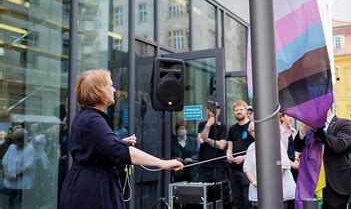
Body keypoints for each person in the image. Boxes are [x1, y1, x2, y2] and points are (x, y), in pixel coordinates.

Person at [59, 69, 183, 209]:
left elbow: (98, 147)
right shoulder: (93, 120)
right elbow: (120, 151)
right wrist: (162, 163)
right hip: (93, 191)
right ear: (98, 90)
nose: (114, 89)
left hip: (84, 185)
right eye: (110, 85)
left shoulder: (86, 117)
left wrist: (119, 142)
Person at [294, 106, 351, 208]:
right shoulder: (310, 127)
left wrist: (317, 130)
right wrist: (303, 130)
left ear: (325, 106)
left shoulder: (344, 123)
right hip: (312, 181)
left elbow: (340, 146)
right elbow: (298, 147)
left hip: (334, 184)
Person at [243, 121, 296, 208]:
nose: (256, 132)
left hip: (279, 194)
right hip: (258, 194)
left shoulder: (276, 143)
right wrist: (255, 182)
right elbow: (247, 168)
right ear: (251, 133)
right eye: (253, 131)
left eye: (258, 129)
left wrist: (267, 183)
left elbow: (283, 166)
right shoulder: (251, 147)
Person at [197, 101, 231, 206]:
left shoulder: (223, 127)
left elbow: (221, 145)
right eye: (211, 109)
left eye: (216, 109)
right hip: (204, 167)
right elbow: (201, 140)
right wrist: (208, 125)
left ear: (219, 111)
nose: (213, 111)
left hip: (219, 167)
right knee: (203, 196)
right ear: (207, 111)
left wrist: (208, 140)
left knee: (222, 196)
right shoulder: (202, 124)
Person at [227, 100, 254, 209]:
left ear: (246, 111)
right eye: (236, 110)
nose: (238, 112)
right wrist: (228, 154)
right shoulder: (232, 129)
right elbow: (230, 146)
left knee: (248, 201)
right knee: (237, 201)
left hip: (248, 169)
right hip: (233, 169)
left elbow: (259, 146)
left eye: (241, 109)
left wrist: (244, 157)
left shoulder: (252, 126)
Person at [2, 128, 35, 207]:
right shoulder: (12, 147)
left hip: (22, 186)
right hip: (9, 184)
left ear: (24, 139)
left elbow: (28, 166)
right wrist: (6, 173)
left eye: (18, 140)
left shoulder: (30, 149)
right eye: (14, 139)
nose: (16, 142)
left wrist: (14, 175)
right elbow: (4, 161)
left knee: (21, 205)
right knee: (9, 204)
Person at [280, 113, 299, 180]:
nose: (291, 118)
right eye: (288, 115)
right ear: (282, 117)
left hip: (296, 164)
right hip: (284, 166)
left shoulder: (294, 131)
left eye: (292, 115)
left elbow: (297, 147)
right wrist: (291, 164)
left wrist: (296, 160)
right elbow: (279, 153)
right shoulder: (278, 132)